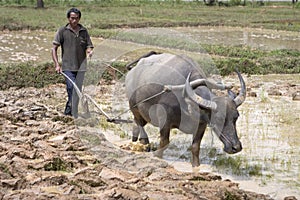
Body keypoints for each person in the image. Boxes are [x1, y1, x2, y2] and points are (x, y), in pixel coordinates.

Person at [52, 8, 93, 118]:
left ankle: (68, 111)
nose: (74, 21)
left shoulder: (83, 31)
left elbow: (89, 45)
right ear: (68, 18)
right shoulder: (62, 31)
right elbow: (54, 49)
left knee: (77, 90)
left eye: (76, 18)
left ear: (79, 19)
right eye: (72, 18)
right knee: (72, 88)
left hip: (81, 67)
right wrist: (57, 64)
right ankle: (74, 113)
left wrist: (89, 51)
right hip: (68, 67)